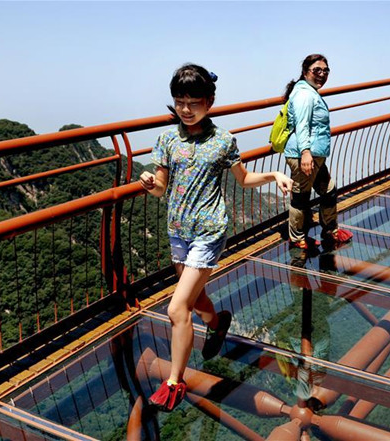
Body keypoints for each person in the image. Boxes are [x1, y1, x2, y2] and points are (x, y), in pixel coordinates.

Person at [139, 63, 292, 412]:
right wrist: (149, 183)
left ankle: (175, 382)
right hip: (177, 231)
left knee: (177, 308)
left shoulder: (223, 141)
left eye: (194, 101)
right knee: (195, 299)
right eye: (180, 101)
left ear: (209, 101)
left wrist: (272, 174)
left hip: (209, 232)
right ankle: (217, 321)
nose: (186, 109)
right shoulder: (166, 140)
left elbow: (243, 179)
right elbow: (162, 189)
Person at [283, 54, 352, 250]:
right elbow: (302, 125)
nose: (322, 74)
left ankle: (330, 230)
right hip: (305, 156)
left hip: (315, 156)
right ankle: (297, 239)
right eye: (317, 70)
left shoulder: (310, 92)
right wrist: (305, 153)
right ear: (306, 72)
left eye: (325, 71)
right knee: (301, 197)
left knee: (328, 190)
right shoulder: (304, 94)